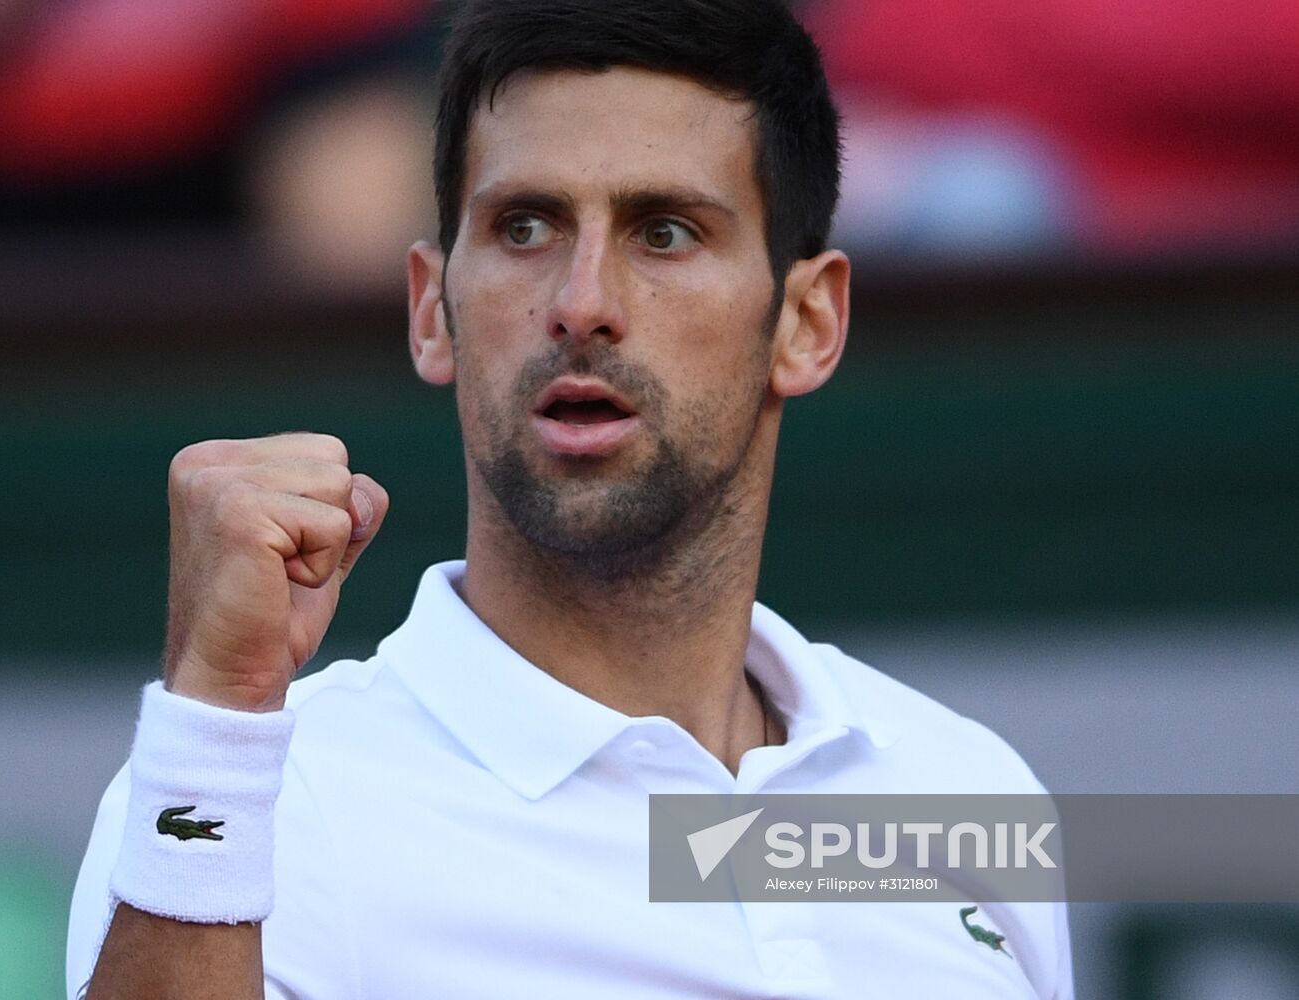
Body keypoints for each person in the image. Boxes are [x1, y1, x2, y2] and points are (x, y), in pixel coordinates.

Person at [68, 1, 1074, 997]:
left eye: (666, 232)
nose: (583, 303)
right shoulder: (250, 800)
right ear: (433, 309)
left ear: (806, 321)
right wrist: (217, 724)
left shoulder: (969, 791)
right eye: (526, 227)